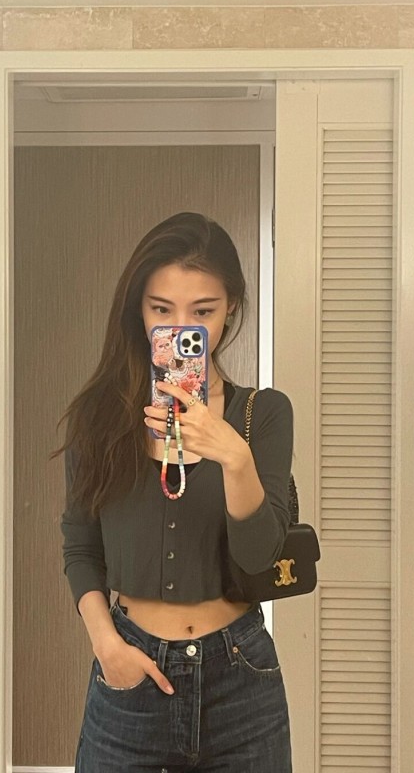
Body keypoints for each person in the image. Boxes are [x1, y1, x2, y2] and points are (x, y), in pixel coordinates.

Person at [56, 211, 293, 772]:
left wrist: (234, 456)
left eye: (202, 311)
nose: (182, 328)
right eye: (162, 310)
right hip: (130, 669)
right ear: (138, 310)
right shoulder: (98, 417)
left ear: (231, 307)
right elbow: (81, 546)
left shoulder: (263, 414)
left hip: (241, 677)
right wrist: (108, 647)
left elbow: (260, 557)